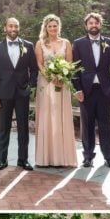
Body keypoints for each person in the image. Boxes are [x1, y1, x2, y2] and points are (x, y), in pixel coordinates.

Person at [72, 12, 110, 168]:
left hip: (105, 90)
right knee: (87, 125)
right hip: (86, 91)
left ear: (100, 25)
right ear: (86, 26)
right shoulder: (78, 44)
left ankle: (109, 157)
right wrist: (78, 89)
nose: (93, 25)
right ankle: (87, 157)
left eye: (96, 23)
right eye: (90, 23)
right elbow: (74, 68)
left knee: (105, 125)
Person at [0, 16, 37, 170]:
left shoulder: (29, 46)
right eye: (10, 26)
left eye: (16, 26)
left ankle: (23, 159)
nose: (13, 29)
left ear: (19, 28)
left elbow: (34, 69)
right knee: (4, 127)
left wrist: (30, 87)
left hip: (22, 94)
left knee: (24, 128)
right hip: (4, 93)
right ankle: (2, 160)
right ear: (5, 28)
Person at [34, 14, 78, 168]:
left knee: (61, 116)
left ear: (59, 27)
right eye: (50, 26)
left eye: (55, 26)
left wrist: (61, 75)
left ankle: (63, 158)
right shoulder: (40, 44)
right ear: (45, 28)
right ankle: (45, 158)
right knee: (47, 116)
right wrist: (50, 76)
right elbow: (39, 63)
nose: (53, 28)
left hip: (62, 83)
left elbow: (70, 62)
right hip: (46, 84)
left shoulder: (66, 43)